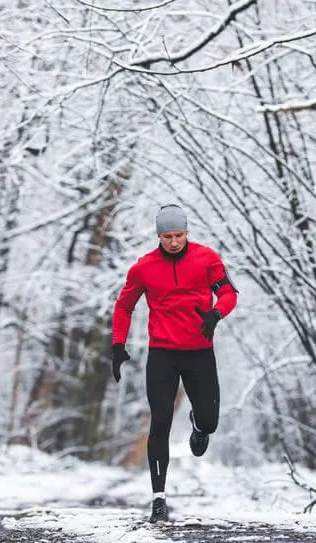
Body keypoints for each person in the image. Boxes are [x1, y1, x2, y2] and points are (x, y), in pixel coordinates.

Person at [111, 204, 238, 523]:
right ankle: (158, 499)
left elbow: (228, 293)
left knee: (209, 421)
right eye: (167, 236)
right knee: (160, 422)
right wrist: (117, 344)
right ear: (159, 236)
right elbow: (124, 307)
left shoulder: (207, 258)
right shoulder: (144, 268)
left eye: (179, 235)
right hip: (162, 355)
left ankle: (200, 425)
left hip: (199, 352)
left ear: (187, 233)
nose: (174, 242)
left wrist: (216, 313)